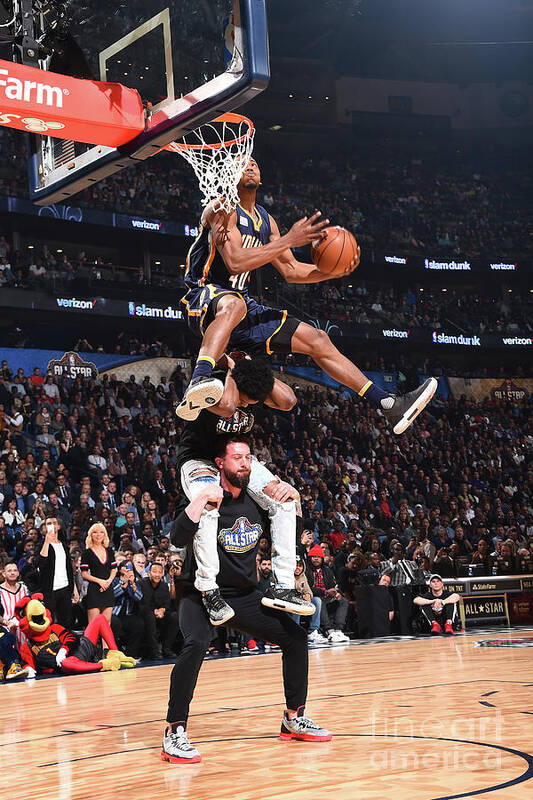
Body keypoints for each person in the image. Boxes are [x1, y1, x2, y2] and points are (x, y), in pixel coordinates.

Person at [176, 157, 437, 436]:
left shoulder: (266, 221)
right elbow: (236, 262)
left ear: (261, 178)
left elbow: (292, 270)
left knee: (318, 340)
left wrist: (332, 272)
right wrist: (289, 240)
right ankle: (199, 378)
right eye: (241, 163)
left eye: (254, 162)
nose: (249, 166)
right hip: (204, 297)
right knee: (234, 304)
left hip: (240, 309)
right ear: (230, 175)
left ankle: (387, 403)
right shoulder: (222, 208)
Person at [161, 436, 331, 764]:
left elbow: (292, 535)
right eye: (237, 458)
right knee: (196, 643)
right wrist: (197, 503)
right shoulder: (208, 496)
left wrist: (294, 500)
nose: (244, 463)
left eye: (248, 458)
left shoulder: (256, 502)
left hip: (244, 595)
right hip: (200, 594)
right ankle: (174, 731)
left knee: (295, 637)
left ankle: (293, 717)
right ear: (219, 463)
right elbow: (176, 538)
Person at [176, 356, 313, 625]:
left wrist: (258, 371)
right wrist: (231, 372)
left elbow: (288, 401)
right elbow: (227, 407)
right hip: (199, 459)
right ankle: (210, 590)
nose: (246, 406)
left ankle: (282, 586)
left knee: (284, 498)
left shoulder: (249, 383)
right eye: (246, 400)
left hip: (236, 459)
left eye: (251, 404)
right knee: (208, 506)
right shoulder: (214, 383)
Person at [36, 517, 75, 628]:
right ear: (44, 527)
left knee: (66, 622)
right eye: (49, 523)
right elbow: (40, 563)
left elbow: (68, 568)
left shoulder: (63, 545)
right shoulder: (41, 545)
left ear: (58, 526)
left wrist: (74, 589)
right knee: (49, 621)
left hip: (65, 587)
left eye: (54, 523)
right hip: (50, 590)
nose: (52, 525)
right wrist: (47, 542)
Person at [140, 562, 180, 660]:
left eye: (160, 572)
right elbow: (142, 604)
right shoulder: (142, 583)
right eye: (154, 572)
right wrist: (154, 611)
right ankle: (154, 651)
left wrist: (162, 610)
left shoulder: (164, 585)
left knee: (175, 616)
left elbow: (167, 603)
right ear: (149, 572)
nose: (157, 575)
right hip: (146, 613)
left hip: (161, 613)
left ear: (162, 574)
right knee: (150, 617)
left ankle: (166, 648)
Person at [80, 522, 117, 624]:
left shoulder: (109, 551)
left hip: (108, 589)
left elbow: (114, 569)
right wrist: (100, 582)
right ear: (90, 535)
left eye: (101, 532)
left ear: (105, 534)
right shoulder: (87, 553)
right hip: (94, 590)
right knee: (94, 625)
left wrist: (108, 582)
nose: (98, 535)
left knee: (107, 624)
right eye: (95, 532)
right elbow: (84, 574)